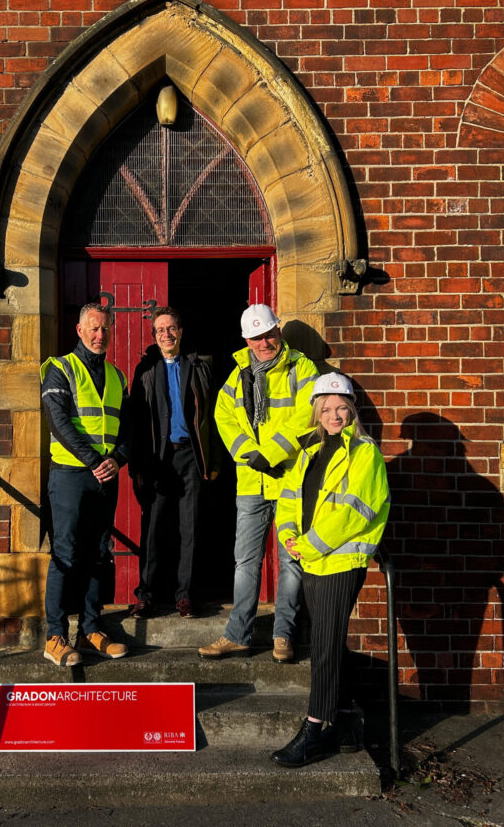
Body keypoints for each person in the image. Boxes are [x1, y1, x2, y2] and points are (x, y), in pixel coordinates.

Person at [270, 372, 390, 767]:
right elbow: (289, 500)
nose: (334, 415)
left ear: (352, 410)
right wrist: (289, 534)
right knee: (330, 642)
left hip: (340, 563)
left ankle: (314, 729)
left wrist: (306, 544)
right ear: (316, 411)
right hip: (311, 561)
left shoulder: (364, 452)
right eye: (326, 408)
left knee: (322, 645)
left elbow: (355, 512)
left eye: (341, 408)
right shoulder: (308, 452)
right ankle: (342, 722)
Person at [199, 304, 318, 663]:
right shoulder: (238, 375)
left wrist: (274, 452)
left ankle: (284, 636)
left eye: (268, 334)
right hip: (252, 481)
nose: (263, 342)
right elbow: (223, 416)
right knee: (245, 562)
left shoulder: (302, 367)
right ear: (246, 340)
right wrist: (248, 453)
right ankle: (238, 635)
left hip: (290, 479)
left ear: (278, 332)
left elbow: (311, 413)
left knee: (290, 560)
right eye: (256, 337)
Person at [39, 302, 130, 667]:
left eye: (105, 329)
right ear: (79, 330)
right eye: (93, 328)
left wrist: (117, 459)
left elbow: (127, 429)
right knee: (65, 554)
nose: (99, 335)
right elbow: (59, 423)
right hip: (70, 476)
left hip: (105, 476)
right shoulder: (60, 369)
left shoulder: (117, 376)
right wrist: (95, 461)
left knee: (99, 553)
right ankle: (55, 636)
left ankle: (91, 629)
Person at [128, 306, 222, 619]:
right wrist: (138, 467)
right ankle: (147, 595)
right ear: (154, 336)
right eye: (159, 331)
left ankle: (185, 596)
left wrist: (213, 460)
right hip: (158, 458)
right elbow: (137, 423)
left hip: (191, 457)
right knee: (153, 528)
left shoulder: (199, 366)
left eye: (171, 329)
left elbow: (212, 418)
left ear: (180, 331)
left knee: (190, 529)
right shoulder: (146, 369)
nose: (166, 335)